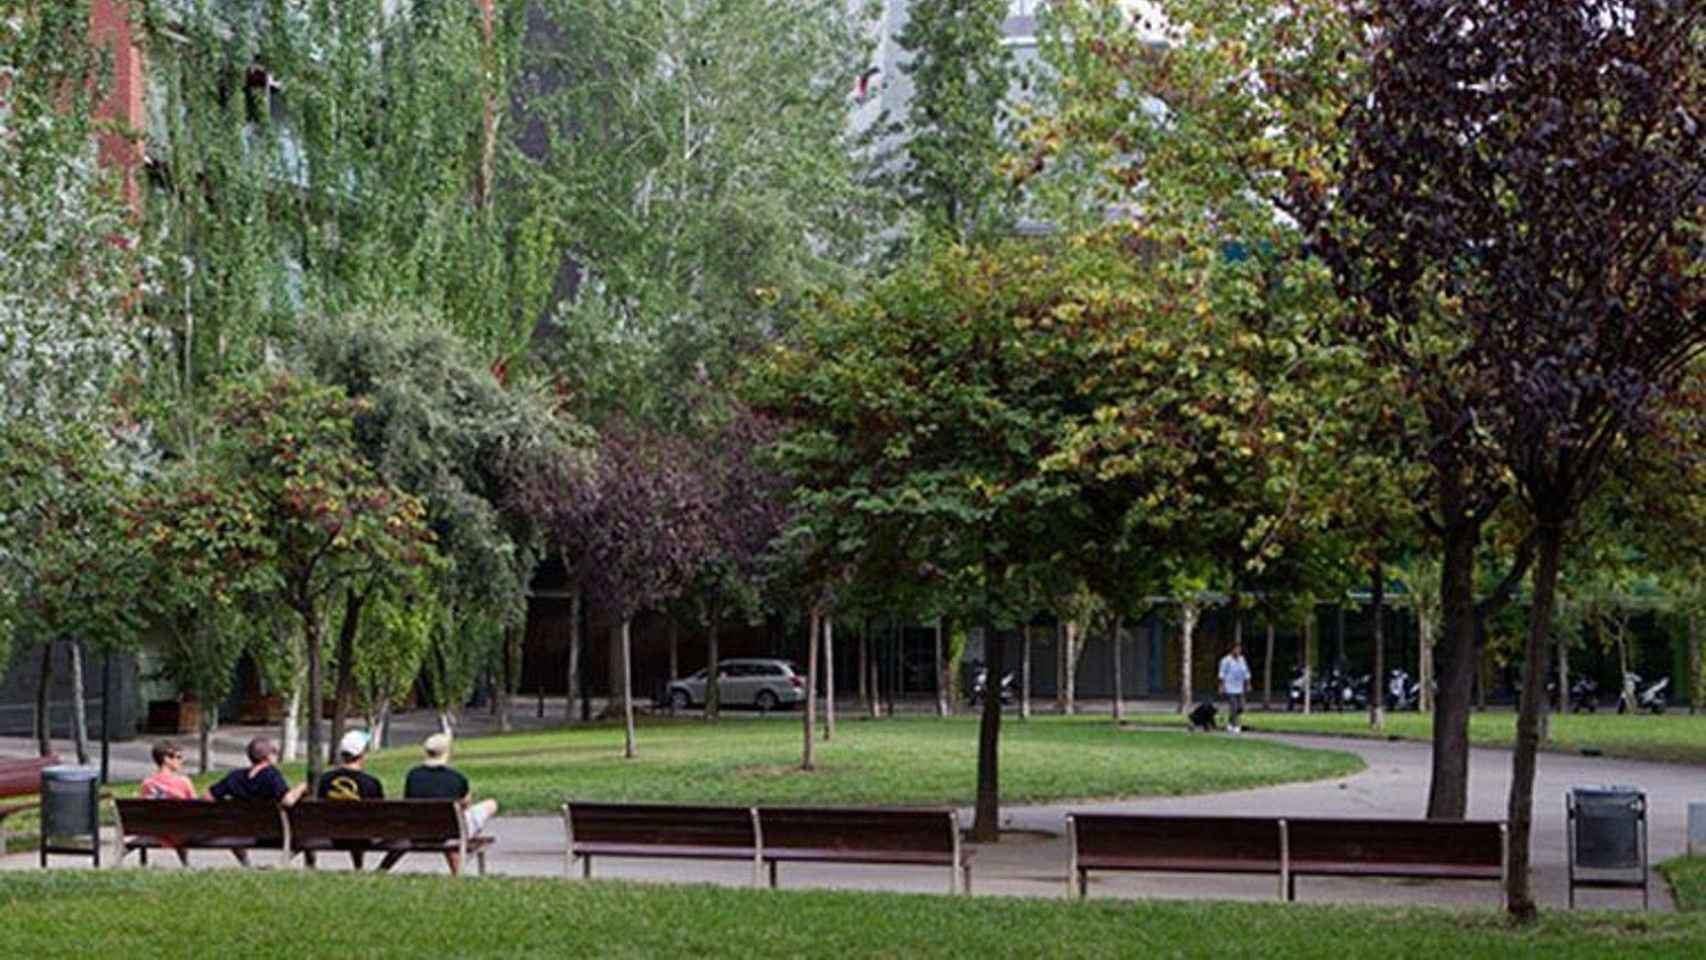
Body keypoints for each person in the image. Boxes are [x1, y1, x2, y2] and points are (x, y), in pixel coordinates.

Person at [379, 732, 497, 876]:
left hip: (418, 830)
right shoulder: (457, 778)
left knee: (447, 823)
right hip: (450, 831)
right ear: (447, 752)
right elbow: (466, 805)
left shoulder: (413, 775)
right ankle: (458, 871)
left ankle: (382, 870)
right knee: (491, 804)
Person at [207, 736, 308, 865]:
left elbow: (208, 798)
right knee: (306, 833)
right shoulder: (271, 775)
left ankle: (246, 863)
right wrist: (301, 787)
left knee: (235, 825)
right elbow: (287, 800)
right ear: (268, 756)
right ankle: (285, 862)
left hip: (240, 831)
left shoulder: (235, 777)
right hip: (273, 832)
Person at [317, 729, 384, 869]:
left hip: (331, 833)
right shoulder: (371, 783)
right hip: (363, 836)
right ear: (362, 755)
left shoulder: (325, 779)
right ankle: (377, 870)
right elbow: (380, 814)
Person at [139, 740, 196, 866]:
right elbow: (195, 807)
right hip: (180, 832)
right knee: (179, 824)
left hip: (156, 831)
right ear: (166, 759)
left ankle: (185, 863)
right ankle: (185, 863)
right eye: (178, 757)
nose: (181, 761)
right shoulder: (183, 782)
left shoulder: (147, 783)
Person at [1218, 642, 1251, 733]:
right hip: (1229, 687)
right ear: (1232, 650)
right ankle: (1234, 724)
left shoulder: (1242, 659)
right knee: (1234, 706)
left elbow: (1246, 672)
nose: (1238, 651)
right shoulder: (1226, 660)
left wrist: (1248, 683)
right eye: (1236, 649)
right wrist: (1221, 686)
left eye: (1239, 649)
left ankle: (1231, 722)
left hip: (1239, 687)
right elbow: (1222, 674)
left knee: (1241, 706)